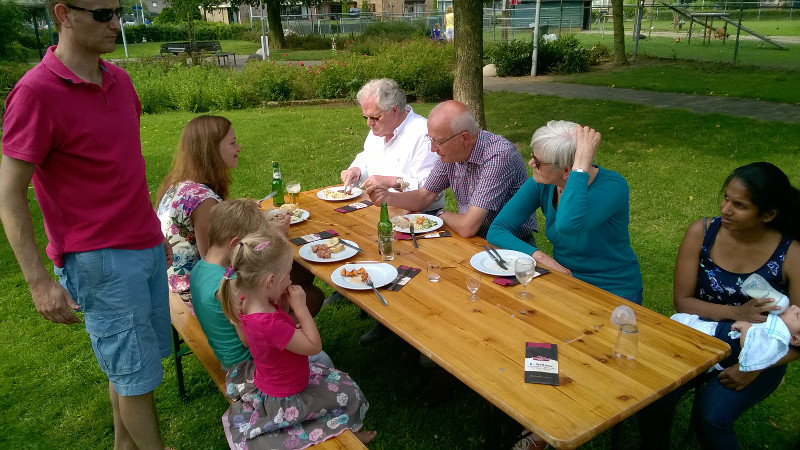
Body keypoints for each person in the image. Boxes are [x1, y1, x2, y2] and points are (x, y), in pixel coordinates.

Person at [0, 0, 171, 448]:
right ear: (64, 14)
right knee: (136, 378)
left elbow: (122, 169)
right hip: (100, 261)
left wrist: (154, 233)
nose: (116, 23)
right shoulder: (35, 93)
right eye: (102, 14)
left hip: (144, 246)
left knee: (130, 370)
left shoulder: (120, 79)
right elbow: (8, 193)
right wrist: (38, 281)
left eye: (118, 10)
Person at [638, 162, 800, 450]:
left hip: (763, 351)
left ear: (768, 214)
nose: (726, 209)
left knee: (711, 416)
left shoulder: (791, 254)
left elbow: (799, 336)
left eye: (740, 205)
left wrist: (750, 368)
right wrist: (737, 313)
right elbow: (683, 302)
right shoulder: (702, 233)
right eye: (726, 197)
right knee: (651, 397)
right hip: (697, 335)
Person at [218, 229, 376, 449]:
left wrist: (283, 310)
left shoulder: (245, 302)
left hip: (268, 381)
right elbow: (314, 346)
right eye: (288, 274)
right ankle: (346, 436)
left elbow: (250, 341)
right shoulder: (271, 325)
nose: (291, 280)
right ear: (271, 281)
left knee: (338, 388)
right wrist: (300, 308)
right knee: (348, 392)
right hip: (288, 394)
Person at [156, 115, 324, 314]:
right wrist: (269, 235)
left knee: (298, 269)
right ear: (211, 150)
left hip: (180, 285)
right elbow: (219, 263)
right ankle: (277, 338)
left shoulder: (180, 185)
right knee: (311, 295)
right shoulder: (203, 201)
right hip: (204, 297)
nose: (239, 148)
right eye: (233, 142)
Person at [487, 121, 643, 303]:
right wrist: (538, 256)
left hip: (612, 289)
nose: (531, 164)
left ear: (567, 170)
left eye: (538, 162)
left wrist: (580, 168)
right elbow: (497, 229)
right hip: (564, 279)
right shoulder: (542, 184)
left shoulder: (613, 187)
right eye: (532, 157)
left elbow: (568, 224)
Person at [191, 198, 333, 373]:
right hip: (249, 365)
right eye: (254, 245)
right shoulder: (234, 283)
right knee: (322, 359)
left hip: (228, 358)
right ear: (235, 244)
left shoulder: (200, 268)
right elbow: (254, 335)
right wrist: (293, 319)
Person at [366, 100, 537, 240]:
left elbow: (467, 227)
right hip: (475, 239)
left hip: (510, 244)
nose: (433, 148)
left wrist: (438, 213)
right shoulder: (451, 152)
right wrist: (388, 197)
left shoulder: (498, 156)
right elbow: (424, 196)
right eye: (430, 139)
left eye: (438, 142)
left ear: (464, 138)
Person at [340, 78, 443, 211]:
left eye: (375, 117)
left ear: (394, 110)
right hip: (378, 208)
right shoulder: (378, 130)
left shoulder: (423, 134)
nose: (369, 123)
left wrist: (390, 182)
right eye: (366, 117)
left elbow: (432, 190)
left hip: (418, 216)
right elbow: (366, 159)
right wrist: (356, 171)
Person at [672, 304, 800, 372]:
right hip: (717, 332)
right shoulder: (777, 327)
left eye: (797, 315)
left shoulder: (778, 338)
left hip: (714, 345)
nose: (794, 307)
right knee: (685, 325)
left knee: (683, 332)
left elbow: (753, 352)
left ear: (795, 339)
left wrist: (747, 329)